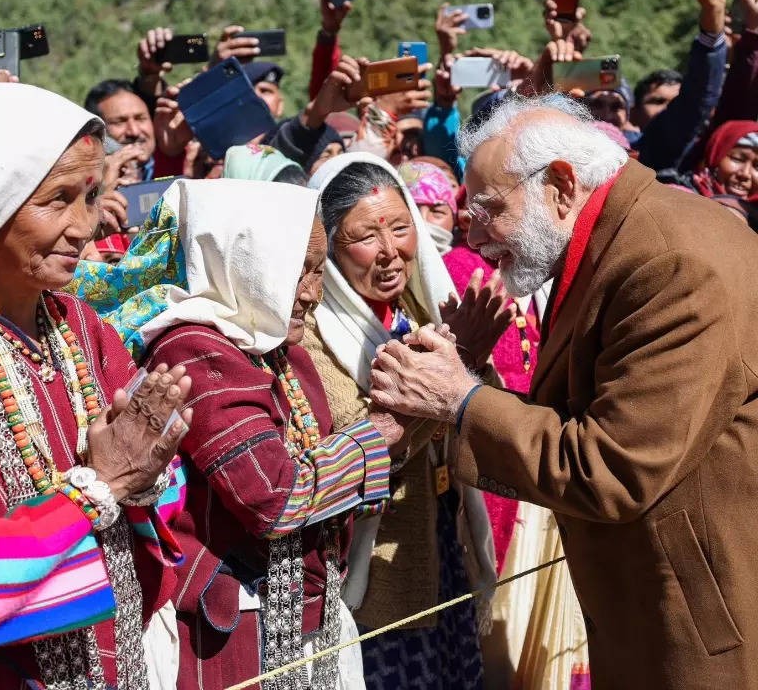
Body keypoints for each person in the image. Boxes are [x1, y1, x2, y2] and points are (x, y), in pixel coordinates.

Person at [369, 93, 758, 686]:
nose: (474, 239)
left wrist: (461, 399)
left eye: (489, 209)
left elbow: (613, 467)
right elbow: (580, 419)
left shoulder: (667, 261)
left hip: (705, 623)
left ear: (560, 184)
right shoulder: (621, 239)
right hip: (660, 606)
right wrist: (470, 388)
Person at [76, 177, 410, 689]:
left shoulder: (282, 348)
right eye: (298, 271)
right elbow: (273, 496)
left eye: (320, 272)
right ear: (245, 265)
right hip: (234, 630)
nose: (311, 294)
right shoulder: (195, 350)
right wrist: (381, 432)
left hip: (304, 614)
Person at [0, 81, 192, 689]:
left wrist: (148, 473)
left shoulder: (82, 329)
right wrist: (101, 485)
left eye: (90, 196)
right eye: (57, 200)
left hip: (111, 660)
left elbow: (159, 494)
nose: (83, 226)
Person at [301, 153, 502, 690]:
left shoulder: (424, 309)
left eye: (400, 226)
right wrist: (448, 374)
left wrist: (470, 365)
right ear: (327, 244)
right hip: (376, 566)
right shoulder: (316, 334)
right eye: (367, 235)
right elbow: (357, 442)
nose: (391, 252)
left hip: (441, 538)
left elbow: (479, 415)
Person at [84, 79, 157, 181]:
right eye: (119, 122)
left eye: (140, 118)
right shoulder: (82, 182)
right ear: (95, 131)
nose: (134, 131)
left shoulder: (180, 163)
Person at [690, 120, 758, 201]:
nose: (745, 174)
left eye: (757, 166)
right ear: (715, 157)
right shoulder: (681, 198)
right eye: (737, 159)